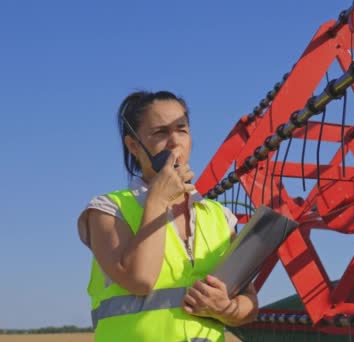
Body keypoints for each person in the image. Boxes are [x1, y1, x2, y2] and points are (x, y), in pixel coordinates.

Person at [77, 90, 258, 341]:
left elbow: (249, 303)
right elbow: (140, 280)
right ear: (133, 146)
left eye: (181, 130)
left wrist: (226, 309)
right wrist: (158, 200)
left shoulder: (220, 217)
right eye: (160, 132)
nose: (174, 141)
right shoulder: (107, 210)